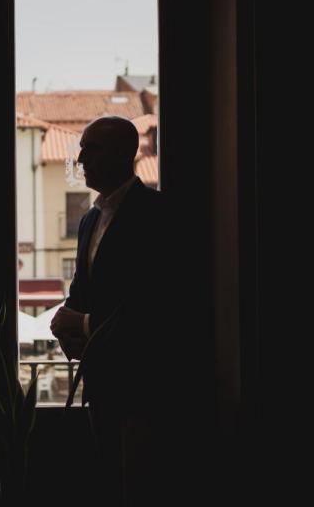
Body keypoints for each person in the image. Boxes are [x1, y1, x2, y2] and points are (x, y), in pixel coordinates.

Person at [50, 116, 207, 505]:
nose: (81, 158)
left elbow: (159, 304)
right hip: (101, 383)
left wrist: (84, 324)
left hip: (147, 386)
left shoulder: (160, 214)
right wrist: (65, 324)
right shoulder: (89, 220)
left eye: (92, 149)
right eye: (81, 149)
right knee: (110, 485)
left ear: (123, 154)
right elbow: (82, 291)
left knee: (142, 489)